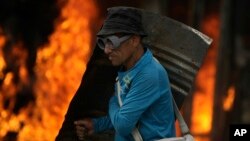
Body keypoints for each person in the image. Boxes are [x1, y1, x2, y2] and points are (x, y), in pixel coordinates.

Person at [74, 7, 176, 141]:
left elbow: (123, 124)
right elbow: (126, 114)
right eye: (103, 42)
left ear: (134, 40)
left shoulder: (149, 74)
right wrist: (96, 125)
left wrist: (112, 100)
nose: (106, 50)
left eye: (112, 41)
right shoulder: (129, 70)